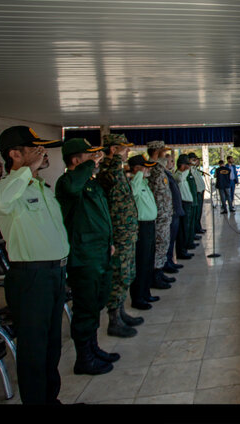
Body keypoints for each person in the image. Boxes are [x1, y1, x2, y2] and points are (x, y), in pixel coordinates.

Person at [0, 126, 68, 404]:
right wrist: (25, 170)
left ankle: (50, 400)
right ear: (15, 154)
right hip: (31, 277)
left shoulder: (40, 187)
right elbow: (1, 200)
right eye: (36, 149)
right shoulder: (0, 190)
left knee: (51, 348)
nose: (43, 153)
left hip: (54, 273)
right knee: (33, 350)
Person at [55, 138, 118, 376]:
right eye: (88, 156)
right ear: (76, 160)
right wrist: (89, 166)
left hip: (100, 251)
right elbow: (72, 187)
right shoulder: (68, 182)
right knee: (85, 307)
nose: (94, 160)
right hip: (84, 256)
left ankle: (93, 348)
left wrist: (110, 242)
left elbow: (102, 214)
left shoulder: (89, 183)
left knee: (97, 301)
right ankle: (84, 358)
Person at [97, 134, 139, 338]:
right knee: (118, 276)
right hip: (118, 235)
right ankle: (114, 320)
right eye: (123, 149)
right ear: (113, 150)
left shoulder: (118, 171)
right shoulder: (108, 172)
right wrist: (113, 159)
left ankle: (121, 312)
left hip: (127, 233)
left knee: (127, 274)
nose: (127, 152)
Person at [128, 155, 159, 310]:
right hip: (141, 227)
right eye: (145, 167)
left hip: (150, 226)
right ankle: (138, 297)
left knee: (148, 260)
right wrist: (139, 173)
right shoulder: (133, 182)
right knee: (141, 262)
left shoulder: (144, 183)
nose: (149, 170)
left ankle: (146, 292)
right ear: (137, 168)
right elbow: (131, 193)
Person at [146, 141, 178, 282]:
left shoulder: (159, 168)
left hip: (164, 213)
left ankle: (160, 270)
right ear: (156, 152)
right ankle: (155, 273)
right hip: (157, 215)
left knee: (164, 243)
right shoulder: (152, 168)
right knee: (159, 244)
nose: (166, 155)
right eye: (163, 152)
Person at [174, 154, 196, 264]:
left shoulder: (184, 174)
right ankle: (181, 250)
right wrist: (187, 170)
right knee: (183, 229)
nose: (188, 167)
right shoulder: (178, 175)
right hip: (183, 204)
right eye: (186, 165)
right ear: (182, 165)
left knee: (186, 228)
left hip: (188, 203)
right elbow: (181, 179)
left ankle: (185, 248)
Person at [188, 152, 207, 235]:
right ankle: (195, 229)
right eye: (193, 160)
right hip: (196, 193)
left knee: (199, 212)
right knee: (196, 213)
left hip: (200, 192)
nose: (196, 161)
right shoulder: (189, 170)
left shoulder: (195, 169)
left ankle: (198, 227)